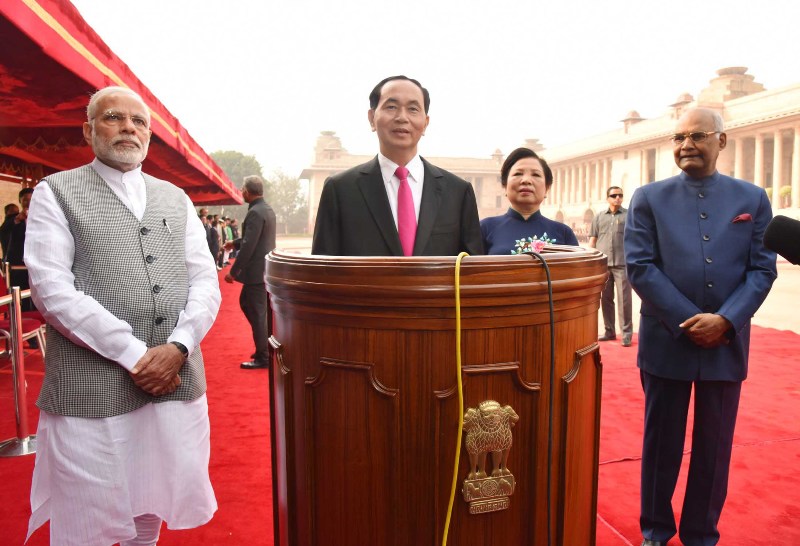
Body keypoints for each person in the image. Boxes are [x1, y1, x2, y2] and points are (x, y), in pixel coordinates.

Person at [24, 86, 221, 546]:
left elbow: (204, 279)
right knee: (86, 510)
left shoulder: (175, 197)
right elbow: (52, 290)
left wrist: (178, 346)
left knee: (153, 495)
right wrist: (135, 355)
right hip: (91, 384)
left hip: (175, 377)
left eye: (139, 121)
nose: (128, 127)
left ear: (149, 135)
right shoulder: (56, 192)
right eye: (114, 117)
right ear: (88, 130)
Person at [624, 107, 776, 546]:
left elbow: (762, 269)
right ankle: (655, 530)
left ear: (721, 141)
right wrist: (688, 321)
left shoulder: (752, 199)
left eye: (698, 135)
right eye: (678, 137)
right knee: (661, 443)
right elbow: (640, 266)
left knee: (715, 446)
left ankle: (701, 533)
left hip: (726, 342)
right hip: (666, 339)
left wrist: (726, 320)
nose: (686, 144)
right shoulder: (648, 198)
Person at [311, 75, 483, 256]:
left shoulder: (457, 192)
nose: (402, 117)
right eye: (391, 107)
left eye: (413, 109)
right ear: (371, 118)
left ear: (425, 123)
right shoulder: (340, 190)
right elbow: (322, 267)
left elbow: (473, 267)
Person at [481, 147, 578, 254]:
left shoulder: (564, 233)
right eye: (518, 174)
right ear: (505, 186)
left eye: (536, 175)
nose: (526, 180)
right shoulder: (485, 228)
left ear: (547, 188)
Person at [224, 175, 276, 369]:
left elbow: (249, 245)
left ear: (247, 191)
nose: (241, 192)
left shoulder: (255, 212)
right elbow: (253, 239)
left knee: (257, 313)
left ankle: (264, 356)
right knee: (249, 306)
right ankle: (264, 347)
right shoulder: (266, 209)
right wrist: (234, 243)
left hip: (256, 273)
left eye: (242, 189)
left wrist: (234, 271)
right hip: (262, 270)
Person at [589, 186, 632, 346]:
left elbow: (634, 238)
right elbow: (593, 240)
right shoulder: (599, 217)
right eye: (614, 195)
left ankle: (626, 333)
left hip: (622, 263)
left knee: (624, 300)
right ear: (607, 198)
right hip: (604, 265)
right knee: (606, 300)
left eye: (620, 195)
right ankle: (609, 331)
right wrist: (592, 261)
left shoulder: (629, 216)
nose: (617, 198)